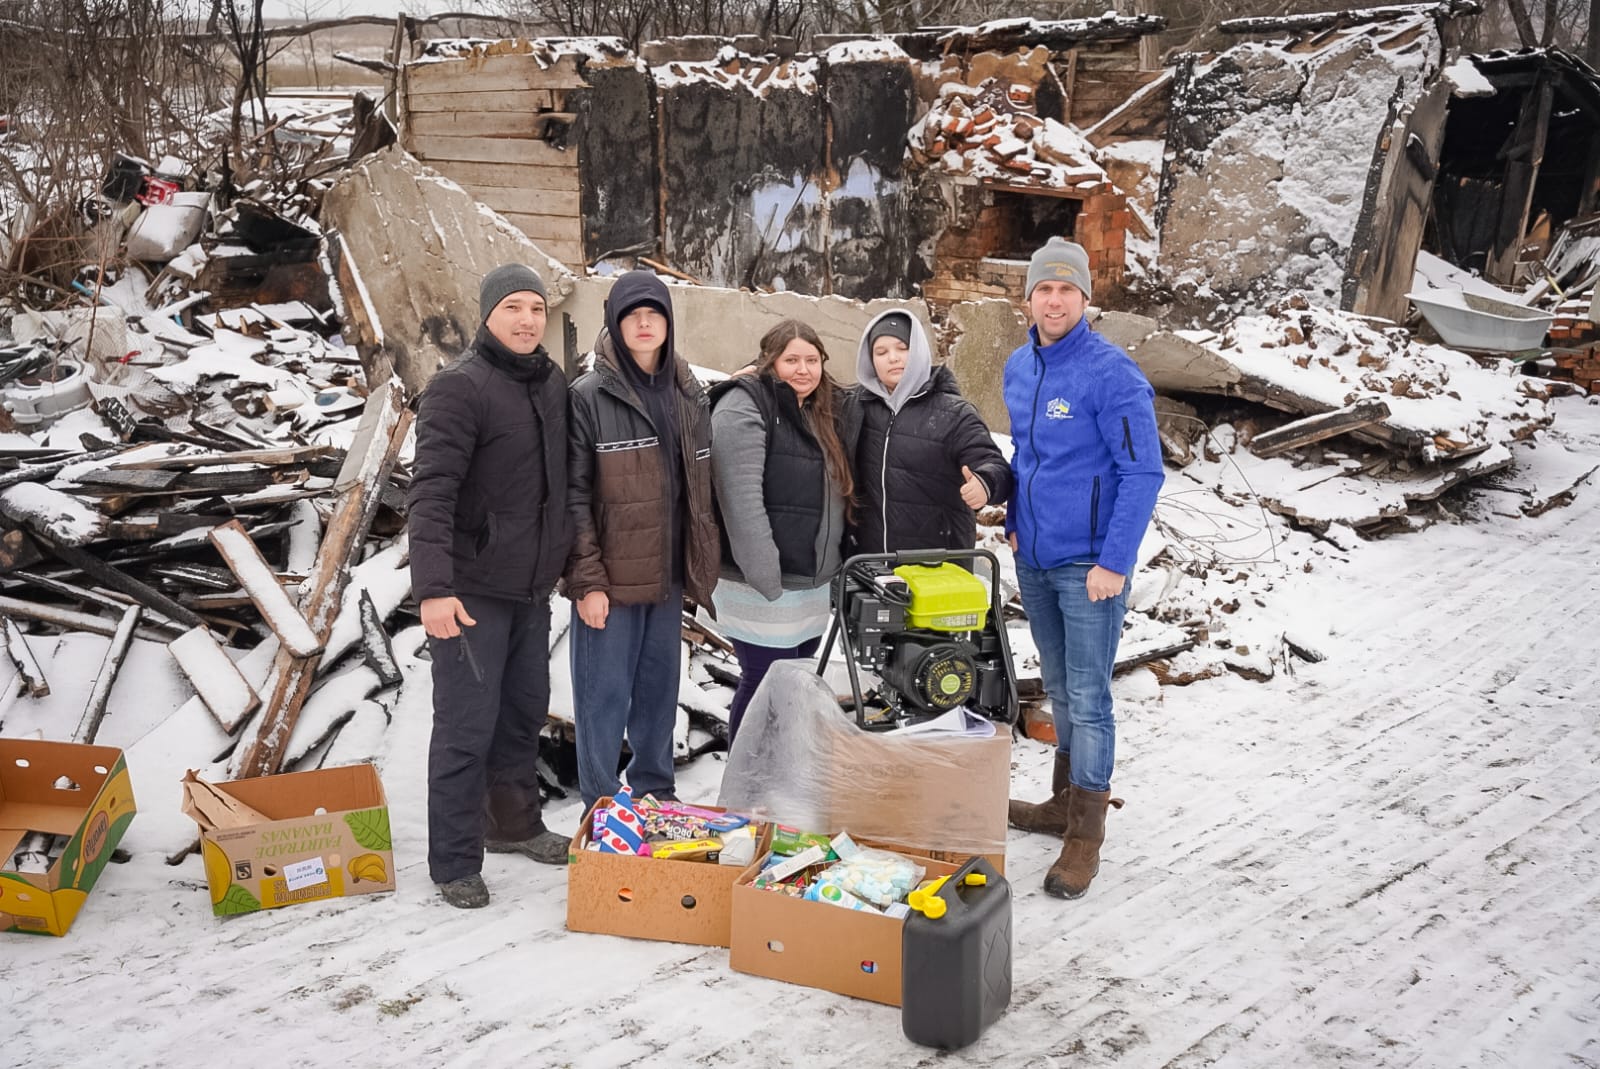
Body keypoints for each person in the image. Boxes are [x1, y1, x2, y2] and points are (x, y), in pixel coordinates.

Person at [408, 263, 575, 910]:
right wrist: (433, 588)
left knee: (523, 713)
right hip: (471, 589)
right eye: (514, 307)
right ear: (487, 314)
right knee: (465, 727)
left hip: (530, 588)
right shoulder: (459, 387)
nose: (528, 319)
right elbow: (431, 494)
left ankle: (513, 823)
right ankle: (454, 860)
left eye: (536, 307)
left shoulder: (550, 382)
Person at [1002, 237, 1164, 901]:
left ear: (1086, 298)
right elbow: (1026, 455)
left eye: (1066, 289)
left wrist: (1113, 562)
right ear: (1029, 298)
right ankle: (1062, 803)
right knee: (1061, 690)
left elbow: (1142, 473)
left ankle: (1085, 837)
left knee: (1090, 698)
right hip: (1035, 560)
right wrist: (1013, 519)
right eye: (1044, 288)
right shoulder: (1020, 366)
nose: (1054, 300)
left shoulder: (1111, 374)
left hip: (1089, 566)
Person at [565, 270, 720, 811]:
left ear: (669, 323)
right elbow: (573, 497)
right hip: (611, 579)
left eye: (655, 313)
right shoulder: (589, 396)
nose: (645, 323)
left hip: (667, 573)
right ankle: (602, 805)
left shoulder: (688, 393)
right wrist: (587, 581)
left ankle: (656, 790)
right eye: (633, 314)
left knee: (658, 691)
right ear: (615, 323)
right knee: (602, 696)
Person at [708, 319, 852, 743]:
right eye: (791, 360)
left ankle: (778, 770)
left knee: (791, 685)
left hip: (807, 583)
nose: (803, 369)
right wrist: (766, 577)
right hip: (762, 584)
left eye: (812, 360)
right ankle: (746, 774)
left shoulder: (818, 410)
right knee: (762, 682)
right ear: (769, 362)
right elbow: (739, 498)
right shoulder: (744, 404)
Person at [840, 310, 1012, 557]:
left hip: (936, 564)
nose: (893, 358)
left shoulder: (954, 413)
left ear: (918, 351)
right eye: (881, 352)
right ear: (870, 360)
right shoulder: (855, 406)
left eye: (902, 348)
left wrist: (986, 482)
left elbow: (994, 464)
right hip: (869, 562)